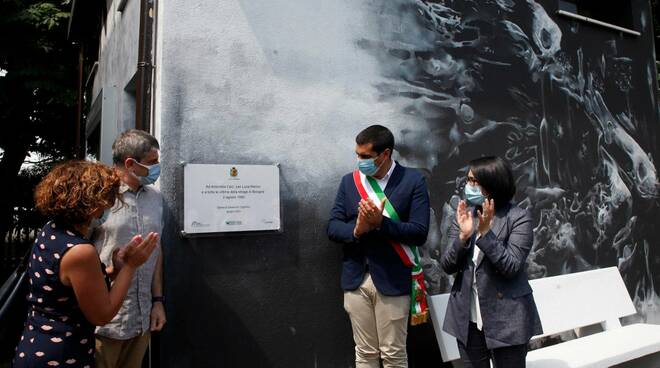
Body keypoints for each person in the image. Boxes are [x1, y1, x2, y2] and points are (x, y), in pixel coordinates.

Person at [13, 160, 159, 368]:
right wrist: (130, 266)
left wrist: (114, 269)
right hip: (62, 355)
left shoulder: (51, 231)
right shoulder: (80, 251)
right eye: (108, 197)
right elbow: (102, 314)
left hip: (36, 344)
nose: (110, 204)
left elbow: (72, 286)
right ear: (91, 203)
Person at [328, 125, 430, 368]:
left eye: (365, 157)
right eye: (357, 155)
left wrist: (380, 224)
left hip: (393, 280)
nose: (359, 161)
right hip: (356, 279)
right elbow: (332, 227)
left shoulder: (413, 180)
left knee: (393, 355)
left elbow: (419, 232)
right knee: (364, 354)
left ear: (385, 154)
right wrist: (357, 229)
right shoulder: (349, 182)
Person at [441, 156, 542, 368]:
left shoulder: (518, 217)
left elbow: (511, 266)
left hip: (507, 321)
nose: (469, 186)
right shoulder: (463, 215)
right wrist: (463, 237)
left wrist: (486, 234)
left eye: (475, 182)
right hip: (467, 320)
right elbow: (447, 265)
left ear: (493, 184)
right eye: (468, 180)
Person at [92, 129, 165, 368]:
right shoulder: (99, 198)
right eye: (152, 162)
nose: (157, 167)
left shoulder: (156, 199)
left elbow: (155, 251)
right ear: (130, 163)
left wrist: (157, 301)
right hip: (103, 324)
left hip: (141, 319)